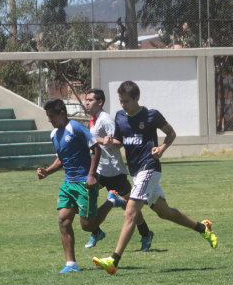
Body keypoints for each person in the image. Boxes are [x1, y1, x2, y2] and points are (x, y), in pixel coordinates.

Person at [92, 81, 218, 274]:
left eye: (126, 101)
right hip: (136, 172)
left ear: (136, 98)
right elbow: (119, 142)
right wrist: (110, 142)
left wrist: (162, 148)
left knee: (130, 213)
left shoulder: (151, 115)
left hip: (149, 168)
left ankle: (113, 260)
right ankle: (203, 228)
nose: (123, 105)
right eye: (120, 101)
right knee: (164, 212)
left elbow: (171, 133)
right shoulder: (119, 116)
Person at [85, 88, 154, 251]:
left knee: (130, 207)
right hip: (100, 170)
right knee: (85, 196)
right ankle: (96, 231)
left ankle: (145, 234)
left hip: (114, 171)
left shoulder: (106, 119)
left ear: (100, 102)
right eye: (86, 100)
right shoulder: (93, 120)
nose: (86, 103)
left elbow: (118, 142)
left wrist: (101, 141)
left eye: (90, 100)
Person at [37, 98, 101, 273]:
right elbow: (61, 159)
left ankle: (112, 199)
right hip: (68, 183)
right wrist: (47, 172)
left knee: (87, 225)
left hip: (84, 182)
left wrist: (91, 175)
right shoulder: (54, 135)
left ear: (62, 113)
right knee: (63, 221)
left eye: (51, 116)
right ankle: (71, 264)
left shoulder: (76, 128)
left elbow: (96, 149)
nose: (49, 120)